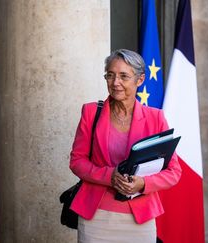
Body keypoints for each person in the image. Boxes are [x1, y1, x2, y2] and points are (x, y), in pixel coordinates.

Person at [69, 49, 181, 242]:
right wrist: (109, 176)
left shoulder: (156, 118)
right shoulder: (90, 112)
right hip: (96, 217)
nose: (115, 83)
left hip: (140, 220)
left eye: (123, 76)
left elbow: (174, 172)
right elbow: (77, 161)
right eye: (110, 75)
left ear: (140, 80)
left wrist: (143, 183)